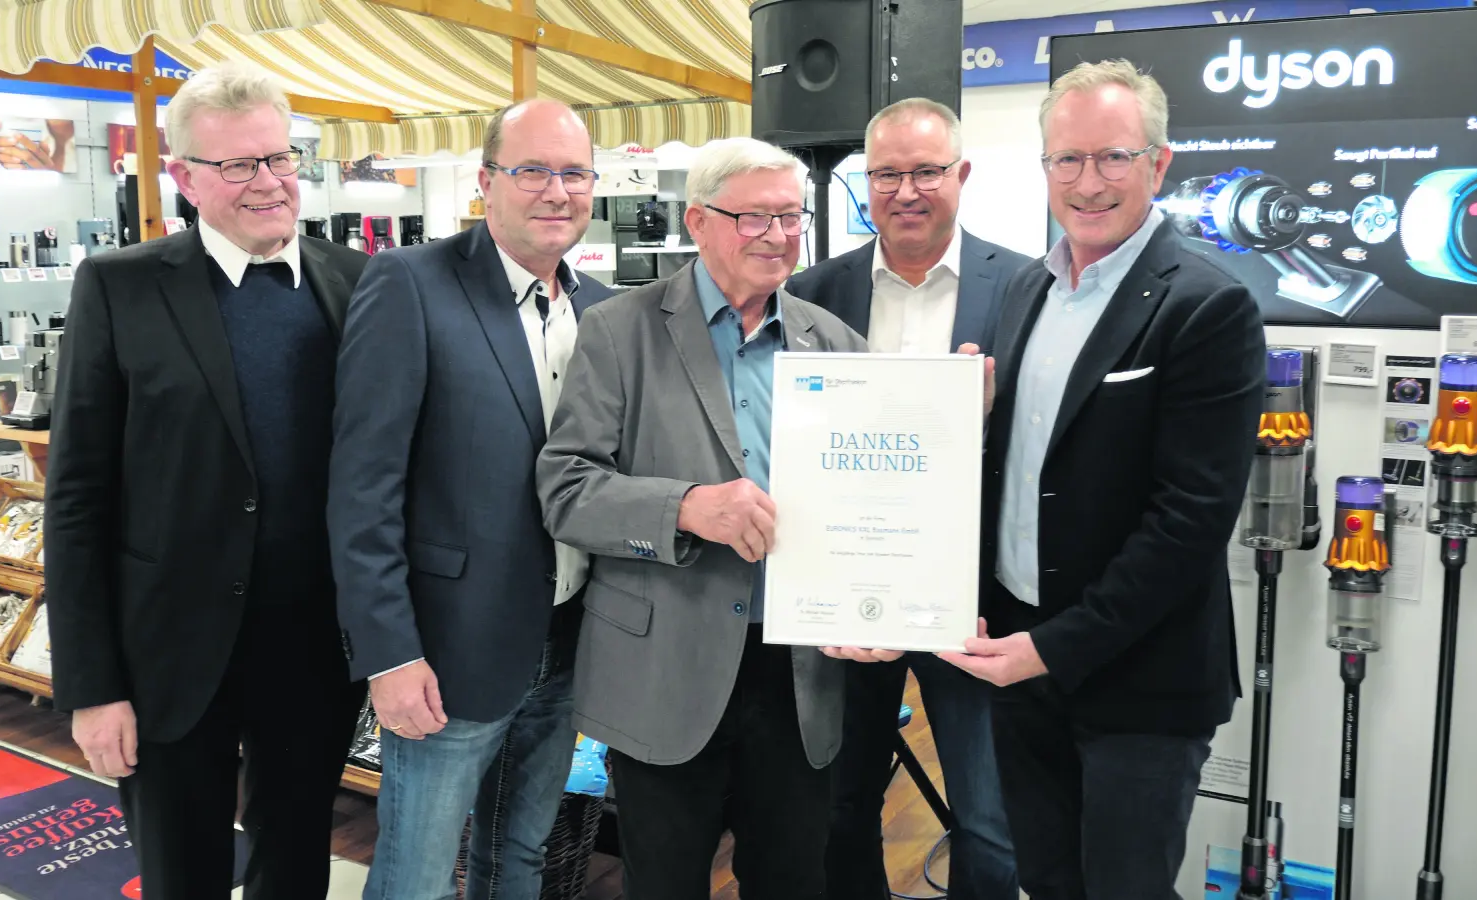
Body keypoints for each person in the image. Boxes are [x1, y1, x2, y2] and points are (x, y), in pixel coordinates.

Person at [938, 59, 1265, 899]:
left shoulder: (1207, 306)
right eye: (1067, 160)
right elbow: (1024, 471)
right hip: (1019, 658)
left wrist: (1054, 648)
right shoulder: (1024, 289)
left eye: (1113, 157)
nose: (1088, 183)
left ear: (1158, 164)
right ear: (1043, 167)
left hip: (1138, 683)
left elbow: (1190, 521)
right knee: (1046, 881)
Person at [44, 62, 370, 899]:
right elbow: (77, 498)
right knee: (180, 867)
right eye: (238, 166)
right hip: (168, 651)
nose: (268, 183)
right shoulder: (119, 287)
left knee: (294, 857)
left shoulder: (358, 283)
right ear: (185, 176)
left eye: (280, 157)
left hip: (314, 644)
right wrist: (91, 687)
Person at [535, 137, 865, 899]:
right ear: (700, 220)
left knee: (791, 879)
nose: (779, 237)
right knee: (665, 882)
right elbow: (565, 486)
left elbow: (862, 499)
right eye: (754, 218)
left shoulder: (836, 343)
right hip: (664, 667)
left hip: (799, 669)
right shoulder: (621, 331)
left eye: (792, 217)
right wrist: (685, 508)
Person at [327, 99, 614, 900]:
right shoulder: (411, 285)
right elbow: (363, 486)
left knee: (515, 858)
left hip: (567, 639)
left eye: (574, 173)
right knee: (415, 875)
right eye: (533, 171)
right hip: (447, 653)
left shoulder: (604, 310)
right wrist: (388, 653)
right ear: (486, 182)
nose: (556, 191)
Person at [786, 96, 1027, 900]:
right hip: (847, 595)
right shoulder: (815, 291)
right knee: (842, 805)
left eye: (926, 170)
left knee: (990, 821)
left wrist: (986, 420)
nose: (906, 191)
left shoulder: (1025, 287)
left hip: (978, 603)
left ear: (962, 174)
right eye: (886, 173)